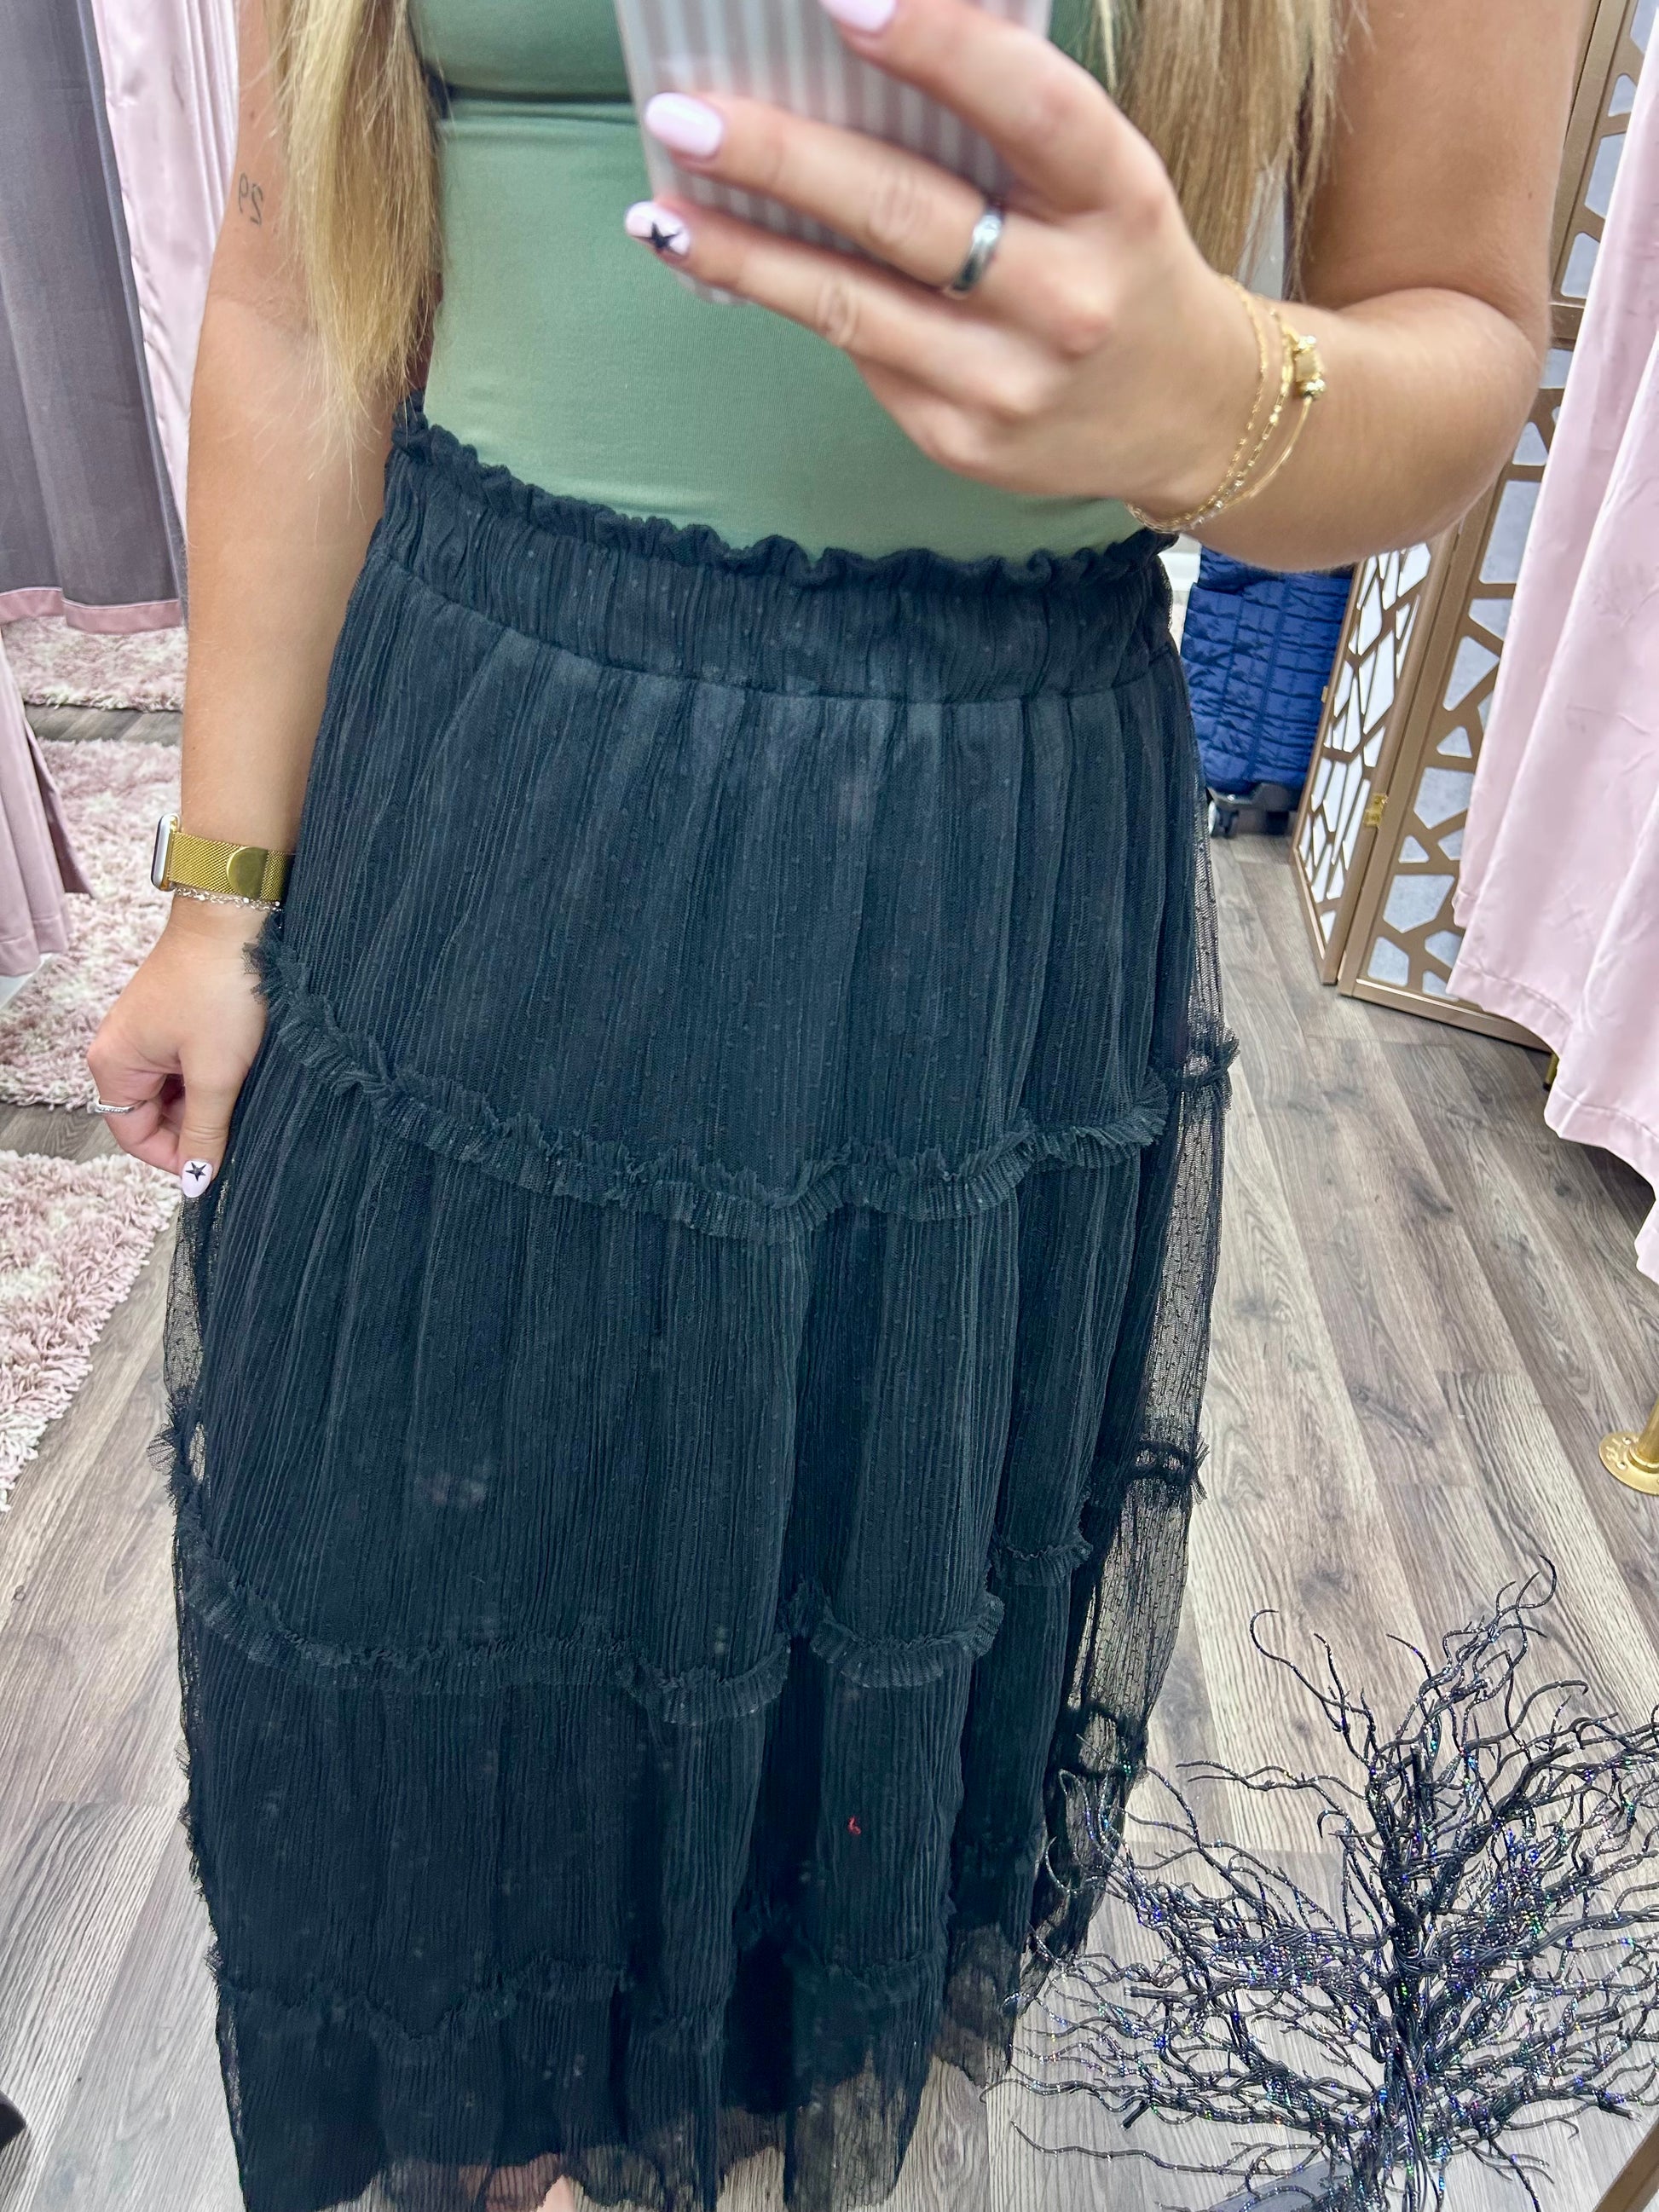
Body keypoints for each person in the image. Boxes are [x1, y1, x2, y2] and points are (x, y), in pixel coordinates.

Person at [89, 0, 1577, 2206]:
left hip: (971, 841)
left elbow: (1449, 324)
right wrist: (221, 885)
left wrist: (1219, 397)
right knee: (401, 1588)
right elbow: (292, 288)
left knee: (821, 1639)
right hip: (477, 756)